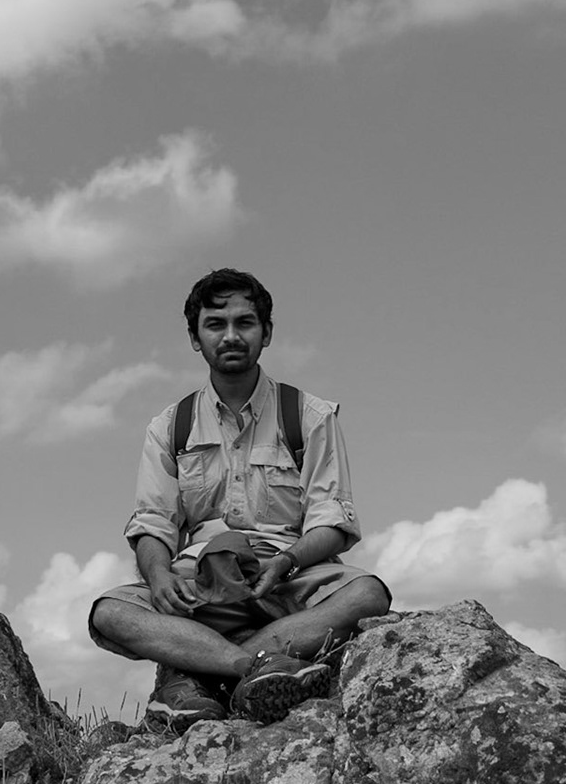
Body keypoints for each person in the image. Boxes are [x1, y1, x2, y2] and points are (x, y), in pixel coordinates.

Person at [87, 268, 391, 731]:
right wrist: (159, 576)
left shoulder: (309, 416)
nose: (231, 336)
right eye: (215, 324)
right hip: (198, 582)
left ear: (266, 333)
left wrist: (286, 562)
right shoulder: (170, 426)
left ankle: (194, 674)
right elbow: (153, 524)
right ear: (195, 337)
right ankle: (257, 669)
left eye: (245, 323)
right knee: (109, 612)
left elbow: (331, 521)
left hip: (287, 575)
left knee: (369, 593)